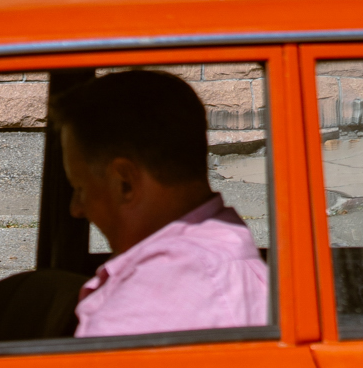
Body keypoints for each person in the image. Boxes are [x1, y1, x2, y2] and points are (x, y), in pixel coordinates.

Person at [50, 69, 268, 337]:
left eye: (80, 189)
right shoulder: (229, 255)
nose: (76, 209)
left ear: (125, 183)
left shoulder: (136, 313)